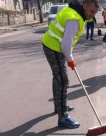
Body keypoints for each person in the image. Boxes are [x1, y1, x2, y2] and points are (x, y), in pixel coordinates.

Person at [42, 0, 99, 129]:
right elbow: (66, 46)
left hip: (52, 45)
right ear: (84, 6)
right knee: (62, 80)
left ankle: (59, 105)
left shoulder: (73, 11)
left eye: (95, 13)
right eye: (91, 11)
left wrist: (68, 57)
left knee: (58, 78)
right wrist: (70, 60)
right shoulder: (74, 19)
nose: (92, 15)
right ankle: (63, 116)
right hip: (54, 47)